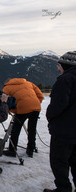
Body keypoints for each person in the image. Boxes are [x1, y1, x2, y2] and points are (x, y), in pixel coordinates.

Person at [44, 51, 76, 192]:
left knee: (59, 161)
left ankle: (63, 189)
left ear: (65, 65)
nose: (58, 69)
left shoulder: (65, 79)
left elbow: (57, 105)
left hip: (65, 130)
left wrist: (50, 116)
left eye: (59, 65)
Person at [2, 78, 44, 158]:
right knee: (32, 129)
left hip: (22, 108)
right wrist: (35, 104)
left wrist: (14, 110)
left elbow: (4, 102)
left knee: (15, 130)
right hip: (36, 107)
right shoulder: (29, 83)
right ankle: (30, 149)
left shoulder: (6, 88)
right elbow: (40, 95)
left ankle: (12, 150)